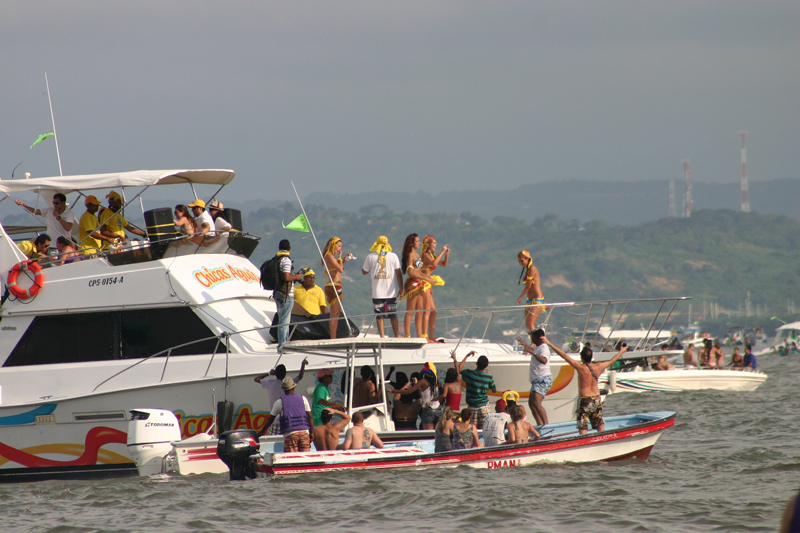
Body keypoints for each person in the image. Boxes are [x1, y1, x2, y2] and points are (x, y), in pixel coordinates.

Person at [543, 335, 628, 435]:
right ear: (591, 357)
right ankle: (605, 440)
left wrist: (548, 342)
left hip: (585, 399)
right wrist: (621, 351)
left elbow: (564, 355)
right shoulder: (599, 366)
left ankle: (583, 443)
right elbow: (612, 361)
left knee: (583, 426)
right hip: (597, 398)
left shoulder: (581, 367)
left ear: (581, 357)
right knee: (600, 424)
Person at [256, 377, 313, 452]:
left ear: (283, 389)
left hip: (290, 434)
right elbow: (310, 416)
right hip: (304, 433)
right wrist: (312, 432)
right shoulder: (303, 398)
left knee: (291, 460)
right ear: (294, 388)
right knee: (305, 458)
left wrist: (262, 431)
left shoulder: (279, 402)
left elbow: (270, 419)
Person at [362, 235, 403, 338]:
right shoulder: (393, 256)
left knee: (379, 316)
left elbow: (364, 272)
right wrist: (401, 288)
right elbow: (398, 272)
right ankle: (396, 336)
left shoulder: (370, 257)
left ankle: (382, 337)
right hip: (391, 292)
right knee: (393, 315)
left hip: (377, 292)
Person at [254, 359, 308, 435]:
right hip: (288, 420)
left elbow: (256, 379)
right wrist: (303, 364)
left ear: (275, 373)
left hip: (275, 420)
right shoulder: (290, 383)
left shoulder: (270, 383)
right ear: (285, 373)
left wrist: (269, 373)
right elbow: (300, 376)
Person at [400, 233, 436, 339]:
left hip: (420, 284)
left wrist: (428, 279)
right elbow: (411, 272)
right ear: (411, 243)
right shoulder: (411, 254)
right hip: (413, 284)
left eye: (419, 241)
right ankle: (407, 334)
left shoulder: (417, 255)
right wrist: (426, 278)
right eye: (417, 241)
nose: (419, 243)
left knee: (419, 311)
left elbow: (419, 271)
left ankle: (419, 335)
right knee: (410, 311)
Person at [515, 328, 552, 426]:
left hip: (542, 379)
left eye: (533, 337)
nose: (532, 339)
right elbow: (533, 350)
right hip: (536, 380)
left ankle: (546, 425)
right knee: (531, 403)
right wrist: (524, 344)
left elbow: (544, 360)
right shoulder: (538, 347)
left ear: (539, 338)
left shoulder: (544, 347)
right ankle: (540, 424)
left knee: (536, 402)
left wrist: (532, 352)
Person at [322, 236, 354, 340]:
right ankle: (333, 337)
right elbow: (340, 270)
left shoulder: (330, 257)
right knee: (334, 314)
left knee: (336, 314)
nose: (339, 249)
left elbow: (339, 268)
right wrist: (340, 257)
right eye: (339, 246)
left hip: (335, 286)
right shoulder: (329, 256)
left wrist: (343, 260)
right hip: (333, 286)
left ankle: (334, 336)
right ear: (333, 245)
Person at [273, 240, 303, 351]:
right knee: (284, 322)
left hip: (277, 293)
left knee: (282, 319)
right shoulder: (285, 260)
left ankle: (282, 344)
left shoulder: (276, 259)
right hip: (286, 294)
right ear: (290, 248)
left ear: (279, 247)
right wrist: (297, 277)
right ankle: (282, 346)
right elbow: (286, 277)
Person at [420, 234, 449, 340]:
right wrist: (441, 251)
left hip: (428, 284)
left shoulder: (432, 255)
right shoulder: (425, 255)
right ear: (428, 245)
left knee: (434, 311)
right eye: (434, 243)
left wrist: (446, 254)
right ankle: (425, 335)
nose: (436, 245)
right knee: (427, 310)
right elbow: (433, 263)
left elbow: (444, 264)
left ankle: (431, 336)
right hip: (423, 284)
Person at [461, 355, 497, 429]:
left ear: (476, 363)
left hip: (472, 406)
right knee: (487, 427)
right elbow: (494, 390)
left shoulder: (469, 373)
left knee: (472, 428)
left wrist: (466, 356)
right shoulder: (488, 377)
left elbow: (458, 370)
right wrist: (488, 375)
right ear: (487, 365)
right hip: (484, 406)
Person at [516, 250, 545, 333]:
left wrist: (520, 297)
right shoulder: (528, 270)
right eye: (519, 261)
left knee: (531, 324)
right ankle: (533, 344)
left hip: (537, 299)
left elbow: (529, 286)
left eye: (522, 260)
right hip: (530, 301)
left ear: (528, 259)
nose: (520, 263)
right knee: (528, 325)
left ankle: (537, 344)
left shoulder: (532, 268)